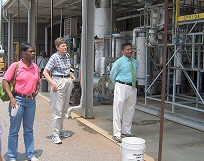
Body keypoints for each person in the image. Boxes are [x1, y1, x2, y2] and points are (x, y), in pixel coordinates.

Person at [2, 42, 40, 161]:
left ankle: (30, 154)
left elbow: (38, 81)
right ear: (23, 53)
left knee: (29, 129)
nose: (33, 53)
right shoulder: (16, 66)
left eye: (34, 51)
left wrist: (36, 90)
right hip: (17, 101)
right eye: (30, 51)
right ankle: (12, 156)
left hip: (31, 102)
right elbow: (5, 81)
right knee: (14, 130)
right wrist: (12, 98)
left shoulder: (35, 67)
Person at [43, 37, 75, 144]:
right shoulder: (54, 57)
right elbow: (45, 72)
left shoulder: (67, 56)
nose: (65, 47)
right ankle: (55, 134)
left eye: (65, 45)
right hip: (58, 81)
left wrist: (71, 74)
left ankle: (60, 130)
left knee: (64, 108)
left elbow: (69, 68)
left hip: (67, 80)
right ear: (57, 47)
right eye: (62, 46)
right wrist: (52, 83)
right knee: (57, 109)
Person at [110, 42, 138, 143]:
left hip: (132, 86)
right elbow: (112, 75)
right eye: (127, 49)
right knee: (118, 110)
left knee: (130, 109)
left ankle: (127, 131)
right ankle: (117, 133)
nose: (130, 51)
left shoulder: (135, 62)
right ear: (122, 51)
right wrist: (118, 85)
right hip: (121, 86)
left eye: (131, 49)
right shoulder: (118, 62)